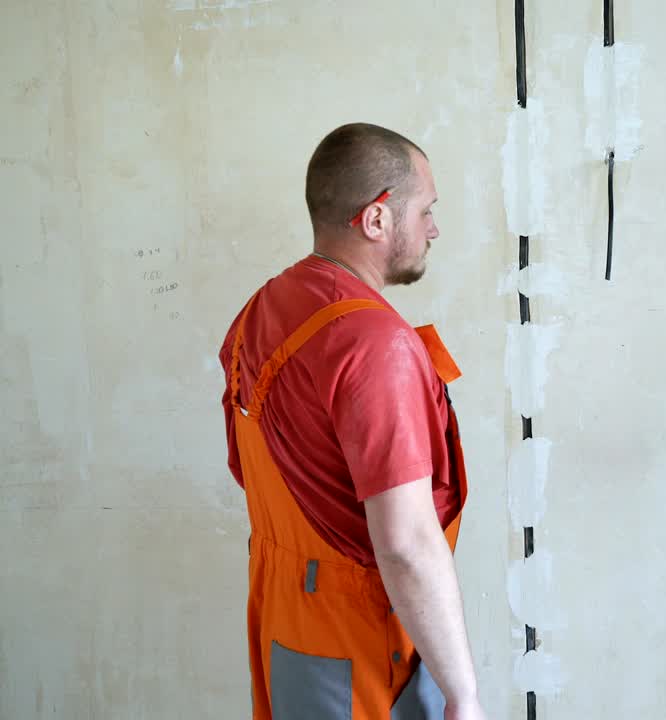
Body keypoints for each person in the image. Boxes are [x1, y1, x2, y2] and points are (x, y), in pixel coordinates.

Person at [220, 123, 486, 720]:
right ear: (376, 219)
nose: (434, 228)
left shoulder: (266, 305)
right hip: (360, 640)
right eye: (425, 211)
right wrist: (464, 694)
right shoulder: (373, 344)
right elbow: (408, 547)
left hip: (286, 621)